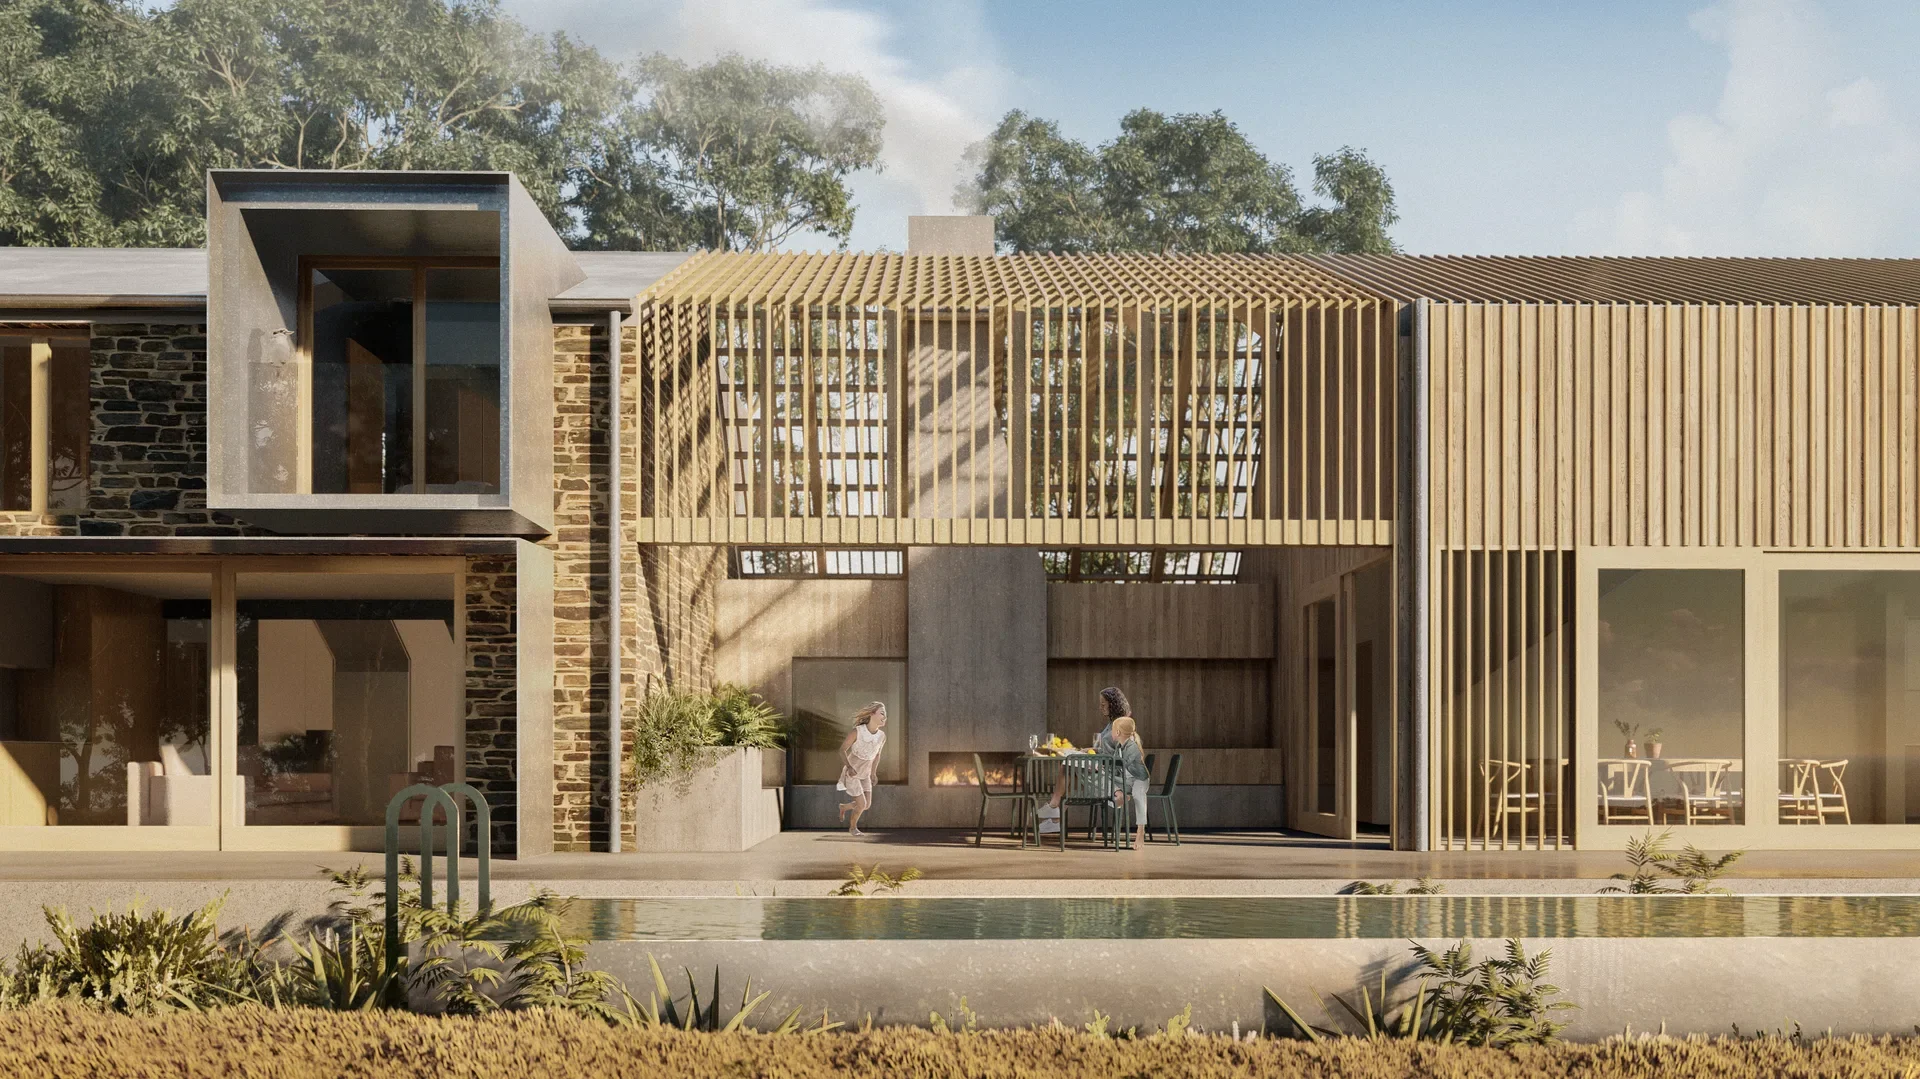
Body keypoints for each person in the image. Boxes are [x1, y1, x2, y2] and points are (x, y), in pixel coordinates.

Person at [1036, 687, 1129, 836]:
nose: (1101, 708)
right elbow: (1107, 749)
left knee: (1068, 763)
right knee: (1071, 767)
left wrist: (1098, 761)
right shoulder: (1112, 723)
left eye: (1103, 704)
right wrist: (1090, 750)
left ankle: (1054, 807)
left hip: (1113, 779)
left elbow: (1120, 753)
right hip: (1104, 769)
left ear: (1113, 704)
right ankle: (1055, 819)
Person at [836, 702, 888, 836]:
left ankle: (844, 807)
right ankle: (853, 828)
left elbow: (877, 755)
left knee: (866, 804)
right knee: (861, 804)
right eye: (882, 713)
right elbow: (842, 750)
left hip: (866, 773)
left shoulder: (882, 736)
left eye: (885, 715)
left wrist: (873, 773)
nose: (884, 717)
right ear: (872, 714)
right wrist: (849, 767)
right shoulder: (857, 731)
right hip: (853, 772)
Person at [1108, 716, 1150, 849]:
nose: (1111, 732)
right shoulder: (1119, 746)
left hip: (1139, 779)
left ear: (1118, 732)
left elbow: (1121, 763)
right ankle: (1121, 796)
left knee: (1138, 795)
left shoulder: (1132, 747)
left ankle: (1140, 831)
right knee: (1106, 783)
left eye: (1113, 730)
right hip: (1126, 780)